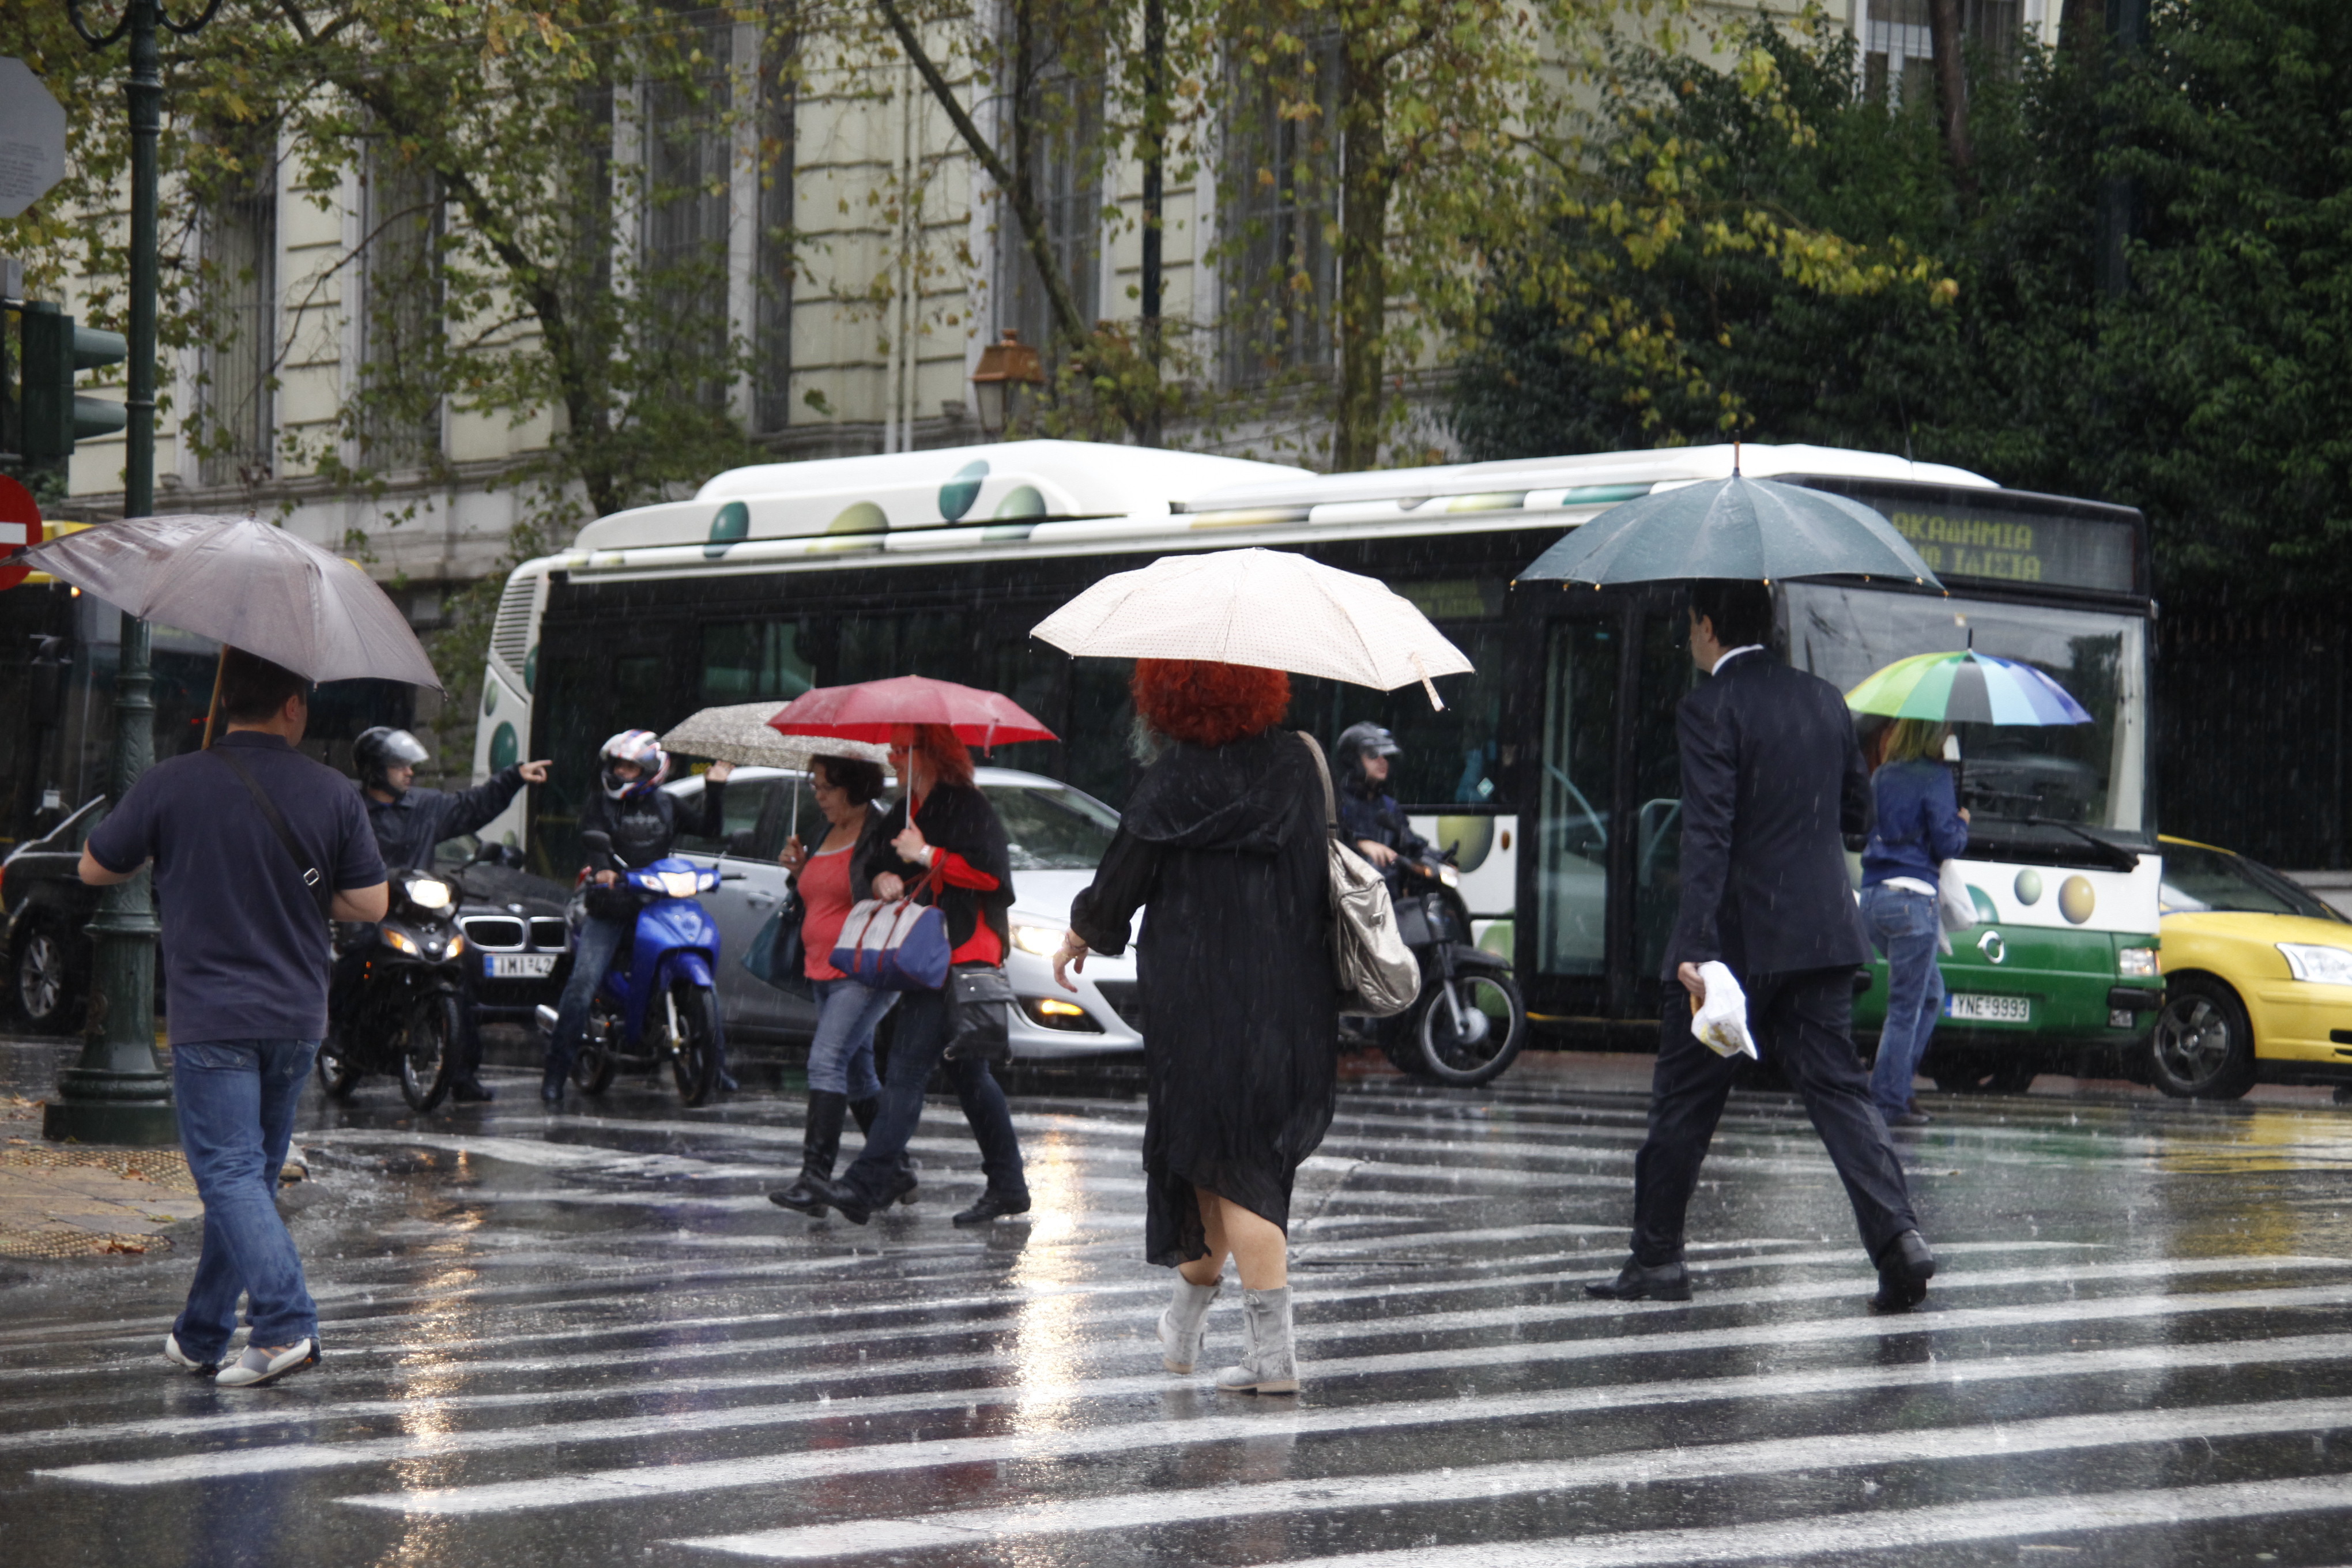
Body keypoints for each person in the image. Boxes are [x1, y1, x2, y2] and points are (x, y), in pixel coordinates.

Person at [1589, 581, 1937, 1314]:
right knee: (1842, 1095)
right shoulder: (1824, 699)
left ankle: (1657, 1258)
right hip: (1817, 935)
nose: (1691, 640)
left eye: (1691, 626)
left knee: (1684, 1102)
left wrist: (1693, 944)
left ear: (1708, 626)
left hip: (1733, 947)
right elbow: (1855, 811)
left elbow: (1708, 831)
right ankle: (1900, 1240)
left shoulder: (1709, 705)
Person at [80, 646, 389, 1388]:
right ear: (291, 706)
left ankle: (285, 1321)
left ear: (226, 702)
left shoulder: (173, 781)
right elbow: (370, 904)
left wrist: (170, 842)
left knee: (228, 1174)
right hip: (295, 1017)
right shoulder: (332, 790)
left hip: (213, 1014)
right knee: (246, 1176)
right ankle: (202, 1333)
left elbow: (95, 865)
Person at [1052, 659, 1337, 1394]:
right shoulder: (1298, 764)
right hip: (1287, 996)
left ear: (1169, 694)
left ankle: (1274, 1359)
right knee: (1218, 1160)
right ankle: (1182, 1327)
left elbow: (1121, 881)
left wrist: (1082, 935)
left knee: (1232, 1167)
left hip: (1197, 1001)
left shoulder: (1172, 779)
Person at [801, 723, 1029, 1228]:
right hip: (927, 953)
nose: (893, 759)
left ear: (931, 755)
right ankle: (1009, 1184)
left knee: (906, 1068)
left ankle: (868, 1183)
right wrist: (887, 873)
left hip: (960, 953)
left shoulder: (964, 804)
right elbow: (886, 862)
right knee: (970, 1076)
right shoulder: (909, 807)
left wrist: (928, 856)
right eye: (893, 750)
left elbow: (992, 876)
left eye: (903, 751)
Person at [330, 726, 551, 1102]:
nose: (409, 772)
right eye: (399, 766)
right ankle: (335, 1034)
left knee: (460, 969)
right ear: (375, 770)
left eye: (409, 766)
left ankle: (462, 1072)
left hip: (414, 912)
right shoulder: (350, 807)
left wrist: (513, 778)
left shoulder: (425, 805)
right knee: (358, 955)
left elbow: (471, 806)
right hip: (368, 911)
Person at [541, 730, 731, 1102]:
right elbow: (592, 837)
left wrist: (716, 789)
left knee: (701, 980)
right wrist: (602, 871)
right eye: (618, 765)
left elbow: (710, 830)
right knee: (582, 986)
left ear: (650, 771)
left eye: (630, 766)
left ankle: (716, 1068)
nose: (621, 772)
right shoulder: (600, 804)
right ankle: (556, 1073)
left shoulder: (669, 804)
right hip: (610, 907)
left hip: (658, 905)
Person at [766, 753, 910, 1217]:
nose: (819, 795)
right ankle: (898, 1168)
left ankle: (815, 1180)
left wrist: (889, 878)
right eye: (814, 787)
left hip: (863, 969)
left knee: (826, 1061)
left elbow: (897, 883)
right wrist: (799, 871)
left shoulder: (883, 832)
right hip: (821, 967)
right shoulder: (823, 829)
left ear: (851, 788)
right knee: (856, 1073)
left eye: (825, 787)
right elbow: (820, 894)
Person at [1861, 719, 1970, 1128]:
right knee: (1905, 1008)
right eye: (1944, 734)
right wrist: (1962, 823)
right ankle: (1888, 1101)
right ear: (1933, 738)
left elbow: (1870, 828)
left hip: (1873, 899)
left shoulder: (1883, 774)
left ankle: (1899, 1089)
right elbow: (1946, 844)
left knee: (1929, 995)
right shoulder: (1936, 777)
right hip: (1911, 903)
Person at [1333, 722, 1433, 884]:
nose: (1382, 761)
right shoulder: (1337, 800)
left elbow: (1409, 840)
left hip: (1388, 894)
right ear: (1353, 760)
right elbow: (1330, 839)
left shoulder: (1388, 806)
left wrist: (1436, 857)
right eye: (1373, 755)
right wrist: (1360, 844)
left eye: (1386, 756)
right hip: (1350, 894)